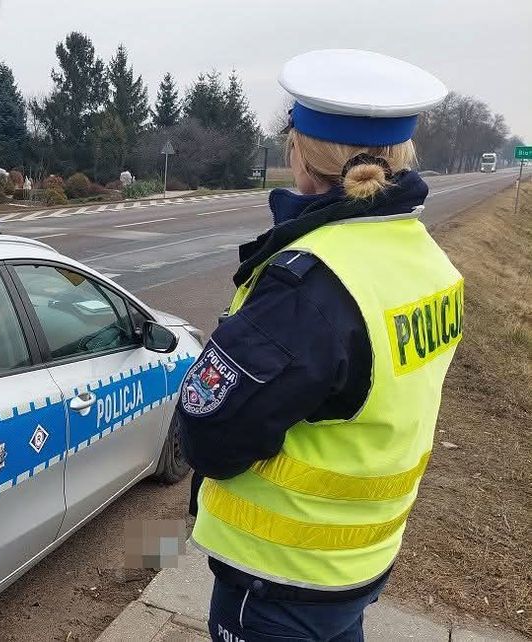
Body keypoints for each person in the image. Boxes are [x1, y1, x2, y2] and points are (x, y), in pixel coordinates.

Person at [178, 50, 463, 641]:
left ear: (301, 157)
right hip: (360, 560)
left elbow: (211, 435)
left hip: (278, 577)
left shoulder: (307, 288)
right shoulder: (429, 263)